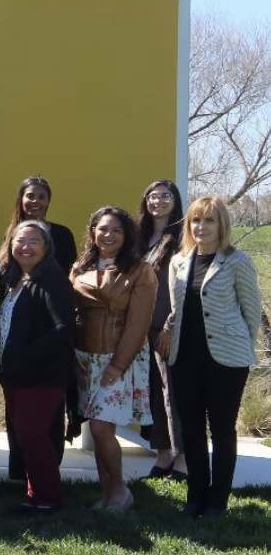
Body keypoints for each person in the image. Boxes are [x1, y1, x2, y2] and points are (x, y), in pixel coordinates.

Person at [159, 196, 262, 518]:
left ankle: (218, 502)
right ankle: (196, 497)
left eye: (209, 221)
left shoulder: (236, 262)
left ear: (222, 225)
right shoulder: (178, 262)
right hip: (184, 357)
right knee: (191, 429)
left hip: (226, 361)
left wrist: (241, 346)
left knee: (222, 429)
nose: (201, 227)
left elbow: (252, 312)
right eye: (195, 221)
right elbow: (178, 309)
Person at [71, 207, 156, 510]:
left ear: (127, 235)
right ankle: (107, 493)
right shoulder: (81, 267)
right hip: (86, 358)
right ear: (93, 232)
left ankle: (120, 490)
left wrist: (118, 364)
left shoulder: (139, 270)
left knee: (99, 429)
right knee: (97, 427)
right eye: (102, 228)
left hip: (121, 358)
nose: (108, 235)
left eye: (116, 230)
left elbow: (139, 323)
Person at [0, 175, 78, 480]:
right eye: (29, 196)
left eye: (41, 196)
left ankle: (46, 480)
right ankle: (21, 474)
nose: (35, 202)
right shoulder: (11, 237)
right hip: (15, 344)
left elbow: (64, 292)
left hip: (44, 343)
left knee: (44, 419)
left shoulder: (60, 235)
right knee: (17, 418)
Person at [138, 180, 187, 482]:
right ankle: (162, 454)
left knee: (174, 393)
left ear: (175, 201)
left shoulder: (183, 237)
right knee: (152, 393)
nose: (158, 201)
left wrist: (171, 325)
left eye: (165, 196)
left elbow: (185, 286)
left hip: (168, 327)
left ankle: (184, 460)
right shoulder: (139, 237)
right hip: (141, 328)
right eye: (153, 196)